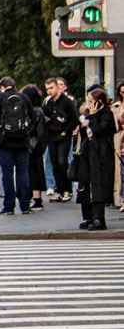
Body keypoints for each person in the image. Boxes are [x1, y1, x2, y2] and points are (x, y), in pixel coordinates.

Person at [0, 77, 33, 215]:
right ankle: (25, 205)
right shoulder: (23, 97)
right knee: (22, 172)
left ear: (2, 87)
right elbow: (32, 117)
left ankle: (9, 206)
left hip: (5, 141)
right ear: (14, 85)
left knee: (7, 173)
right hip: (22, 141)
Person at [75, 86, 117, 230]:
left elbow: (99, 130)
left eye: (92, 101)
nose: (90, 105)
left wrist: (92, 117)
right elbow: (85, 132)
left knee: (98, 184)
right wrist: (84, 125)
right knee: (85, 182)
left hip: (101, 153)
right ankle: (89, 216)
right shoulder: (90, 114)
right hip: (88, 150)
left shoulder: (107, 114)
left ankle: (99, 217)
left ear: (99, 101)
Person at [43, 77, 78, 202]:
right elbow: (45, 115)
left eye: (52, 88)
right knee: (55, 163)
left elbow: (74, 118)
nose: (50, 91)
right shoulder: (49, 102)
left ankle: (67, 190)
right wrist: (46, 120)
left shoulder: (67, 101)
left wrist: (66, 131)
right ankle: (58, 190)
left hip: (63, 136)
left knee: (63, 162)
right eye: (47, 89)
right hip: (52, 135)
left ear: (57, 87)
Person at [20, 84, 47, 212]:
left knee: (33, 172)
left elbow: (35, 130)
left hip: (32, 145)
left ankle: (36, 198)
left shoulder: (34, 111)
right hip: (34, 145)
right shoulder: (37, 110)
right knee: (33, 171)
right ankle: (34, 197)